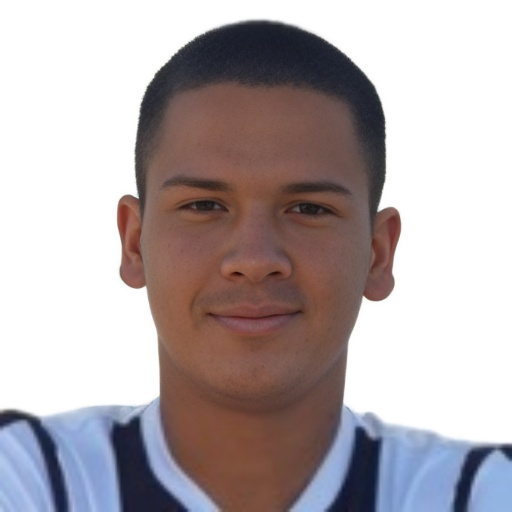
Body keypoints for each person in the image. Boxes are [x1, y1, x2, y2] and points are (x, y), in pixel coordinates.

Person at [0, 19, 510, 512]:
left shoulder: (476, 492)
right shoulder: (33, 477)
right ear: (134, 242)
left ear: (379, 252)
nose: (255, 259)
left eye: (308, 209)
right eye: (204, 205)